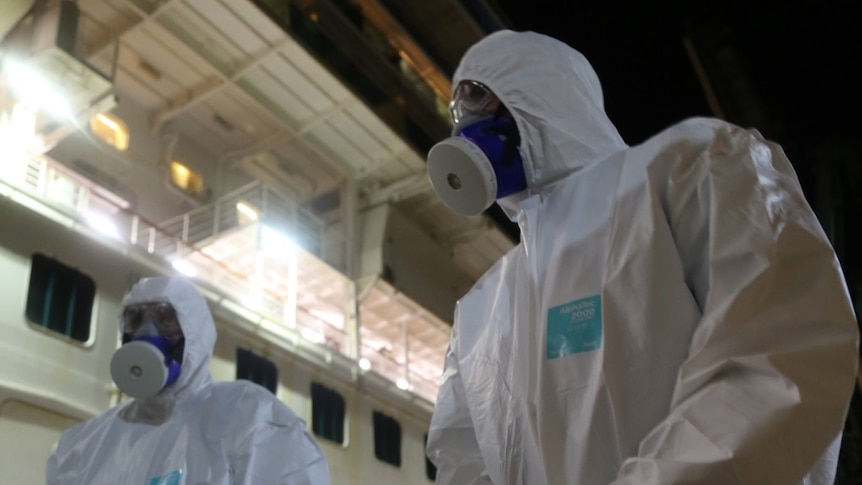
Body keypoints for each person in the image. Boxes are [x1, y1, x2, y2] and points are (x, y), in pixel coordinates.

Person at [425, 30, 860, 484]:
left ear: (540, 92)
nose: (463, 123)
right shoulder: (481, 312)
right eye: (457, 109)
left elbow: (780, 349)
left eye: (476, 95)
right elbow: (462, 464)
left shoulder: (689, 169)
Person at [46, 275, 331, 484]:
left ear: (195, 333)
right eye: (135, 320)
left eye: (166, 320)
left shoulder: (249, 420)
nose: (147, 332)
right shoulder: (82, 446)